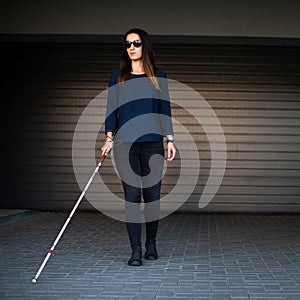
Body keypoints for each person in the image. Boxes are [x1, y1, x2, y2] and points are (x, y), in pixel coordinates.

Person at [101, 28, 176, 266]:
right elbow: (111, 109)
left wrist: (170, 139)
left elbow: (164, 110)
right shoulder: (118, 76)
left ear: (145, 46)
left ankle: (150, 245)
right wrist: (108, 137)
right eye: (127, 44)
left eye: (136, 42)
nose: (131, 47)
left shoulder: (158, 76)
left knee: (152, 198)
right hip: (125, 146)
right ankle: (135, 251)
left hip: (153, 144)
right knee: (132, 198)